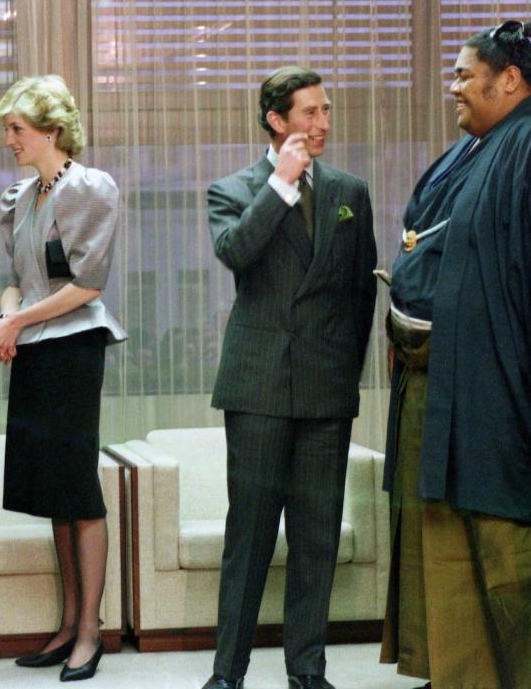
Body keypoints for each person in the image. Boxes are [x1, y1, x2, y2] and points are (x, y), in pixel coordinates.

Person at [380, 21, 531, 689]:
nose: (452, 86)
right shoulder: (470, 150)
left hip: (504, 386)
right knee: (442, 529)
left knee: (507, 536)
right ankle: (461, 673)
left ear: (509, 78)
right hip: (442, 379)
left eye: (460, 72)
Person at [201, 65, 378, 689]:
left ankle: (308, 671)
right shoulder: (232, 189)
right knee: (247, 538)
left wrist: (344, 375)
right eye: (310, 113)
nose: (323, 123)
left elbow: (361, 296)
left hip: (326, 390)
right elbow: (236, 254)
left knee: (317, 540)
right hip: (257, 389)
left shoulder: (350, 191)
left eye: (326, 111)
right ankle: (228, 675)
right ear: (277, 121)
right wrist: (278, 185)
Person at [0, 75, 126, 682]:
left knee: (76, 488)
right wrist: (5, 317)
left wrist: (17, 324)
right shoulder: (18, 195)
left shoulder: (91, 188)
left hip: (72, 347)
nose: (8, 139)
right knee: (52, 495)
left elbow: (87, 286)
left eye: (16, 129)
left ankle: (89, 629)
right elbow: (18, 276)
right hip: (36, 345)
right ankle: (67, 625)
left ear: (52, 132)